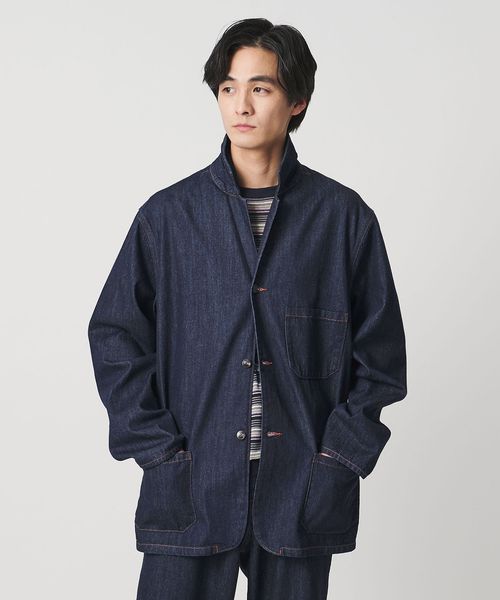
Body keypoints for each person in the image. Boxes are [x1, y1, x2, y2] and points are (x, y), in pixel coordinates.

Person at [88, 17, 407, 600]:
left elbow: (380, 359)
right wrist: (156, 449)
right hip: (192, 482)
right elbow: (114, 334)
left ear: (296, 102)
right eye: (228, 88)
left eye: (260, 88)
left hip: (299, 491)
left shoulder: (343, 220)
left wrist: (340, 458)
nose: (241, 104)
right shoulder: (169, 217)